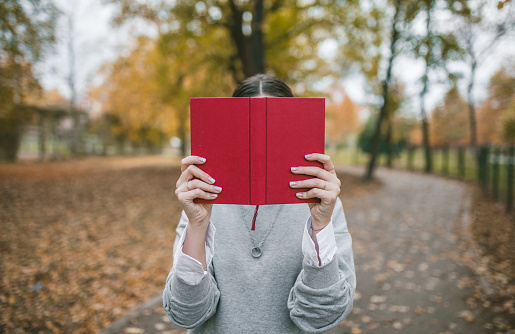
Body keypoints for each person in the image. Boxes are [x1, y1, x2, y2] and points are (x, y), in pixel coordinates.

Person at [163, 74, 356, 334]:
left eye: (276, 128)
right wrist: (198, 225)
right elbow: (186, 314)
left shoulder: (323, 201)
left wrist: (320, 224)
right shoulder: (204, 197)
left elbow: (323, 315)